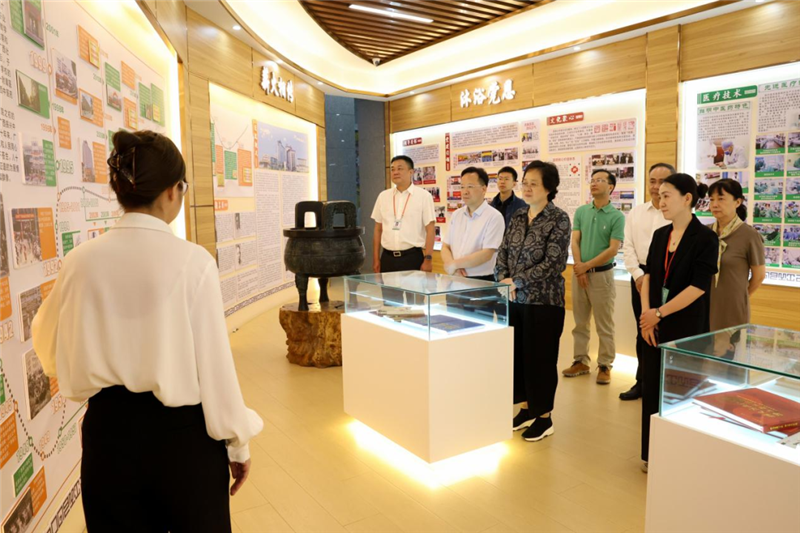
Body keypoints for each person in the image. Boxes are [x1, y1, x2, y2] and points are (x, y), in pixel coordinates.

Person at [32, 130, 263, 532]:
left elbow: (48, 345)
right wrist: (237, 444)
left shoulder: (80, 261)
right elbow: (216, 369)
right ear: (173, 191)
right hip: (184, 442)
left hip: (108, 437)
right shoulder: (193, 263)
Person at [639, 173, 719, 472]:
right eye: (659, 195)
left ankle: (679, 455)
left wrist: (659, 313)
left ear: (687, 199)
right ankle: (651, 454)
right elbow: (648, 276)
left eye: (666, 195)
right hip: (653, 324)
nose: (660, 201)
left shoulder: (706, 237)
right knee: (652, 389)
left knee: (681, 390)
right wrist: (647, 317)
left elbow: (698, 287)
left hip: (685, 325)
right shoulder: (661, 234)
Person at [496, 161, 571, 442]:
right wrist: (503, 279)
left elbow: (554, 263)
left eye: (533, 184)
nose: (526, 188)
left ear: (549, 188)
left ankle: (544, 417)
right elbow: (503, 252)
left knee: (540, 360)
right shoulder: (518, 216)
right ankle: (526, 408)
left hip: (544, 303)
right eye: (525, 183)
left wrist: (517, 281)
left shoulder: (558, 218)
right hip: (514, 300)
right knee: (518, 357)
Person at [563, 169, 625, 384]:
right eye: (592, 180)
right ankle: (580, 361)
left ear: (611, 187)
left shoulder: (617, 216)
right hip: (579, 273)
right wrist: (579, 267)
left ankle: (605, 365)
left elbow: (613, 249)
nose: (594, 183)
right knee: (580, 322)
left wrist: (586, 267)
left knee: (604, 325)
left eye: (600, 180)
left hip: (602, 276)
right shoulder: (582, 211)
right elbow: (575, 241)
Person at [619, 163, 674, 401]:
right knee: (642, 329)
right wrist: (638, 275)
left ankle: (666, 385)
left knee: (667, 331)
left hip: (669, 277)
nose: (656, 186)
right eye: (652, 181)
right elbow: (628, 247)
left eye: (662, 181)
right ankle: (642, 381)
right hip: (640, 277)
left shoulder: (676, 214)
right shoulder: (637, 212)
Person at [708, 179, 766, 330]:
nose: (714, 204)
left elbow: (759, 276)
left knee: (729, 344)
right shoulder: (705, 233)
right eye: (711, 199)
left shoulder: (749, 235)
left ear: (737, 202)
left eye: (721, 199)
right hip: (704, 305)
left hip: (732, 308)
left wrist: (740, 296)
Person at [371, 155, 435, 275]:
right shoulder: (383, 196)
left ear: (411, 172)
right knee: (387, 288)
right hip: (387, 258)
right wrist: (376, 258)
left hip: (412, 257)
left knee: (414, 288)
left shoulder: (424, 196)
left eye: (400, 168)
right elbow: (378, 229)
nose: (395, 172)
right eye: (393, 169)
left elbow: (430, 229)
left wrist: (428, 259)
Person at [441, 167, 505, 282]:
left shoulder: (494, 217)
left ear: (483, 189)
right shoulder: (456, 215)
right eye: (462, 187)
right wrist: (452, 267)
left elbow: (487, 254)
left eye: (470, 187)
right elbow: (446, 246)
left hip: (481, 280)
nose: (465, 191)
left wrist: (454, 264)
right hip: (455, 277)